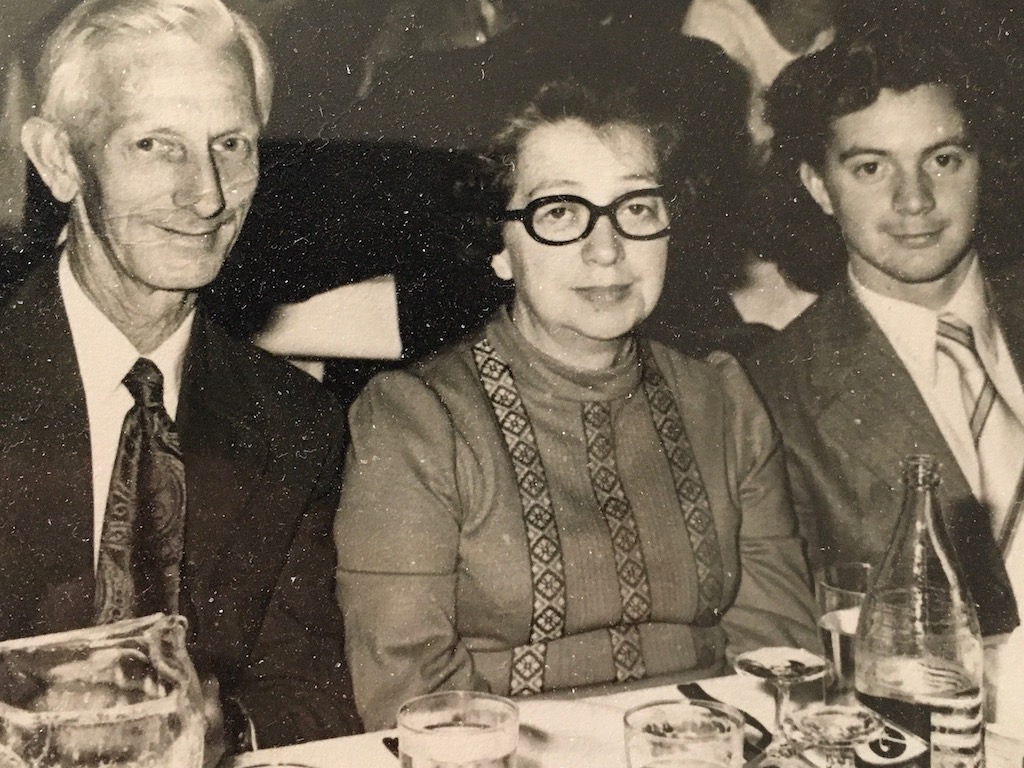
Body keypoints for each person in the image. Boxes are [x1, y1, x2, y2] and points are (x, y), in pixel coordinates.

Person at [335, 79, 820, 730]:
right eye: (559, 211)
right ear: (500, 249)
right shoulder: (418, 419)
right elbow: (413, 697)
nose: (607, 248)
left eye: (637, 207)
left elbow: (779, 655)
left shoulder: (723, 400)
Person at [3, 0, 361, 760]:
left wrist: (211, 729)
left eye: (230, 143)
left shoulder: (295, 421)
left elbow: (312, 690)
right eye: (155, 144)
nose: (206, 195)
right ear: (61, 161)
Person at [743, 15, 1023, 730]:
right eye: (871, 167)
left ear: (983, 163)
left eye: (944, 159)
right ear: (817, 185)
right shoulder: (774, 394)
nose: (914, 200)